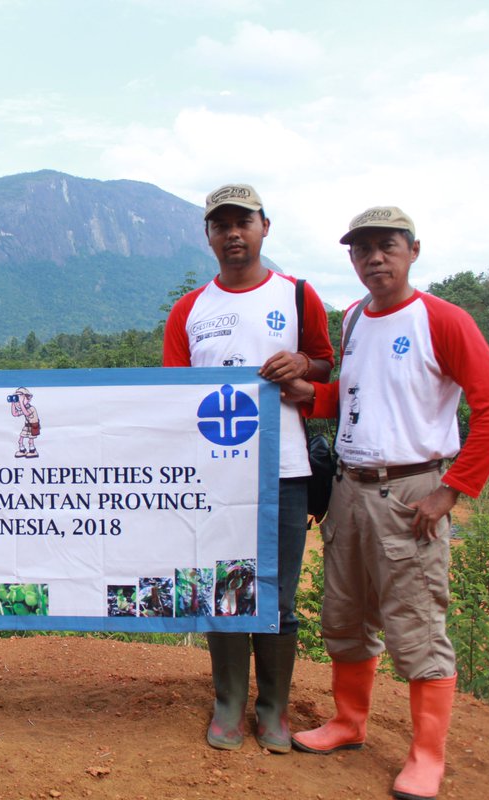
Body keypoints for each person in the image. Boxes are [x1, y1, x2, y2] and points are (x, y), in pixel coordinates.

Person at [283, 207, 489, 800]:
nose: (374, 259)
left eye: (386, 246)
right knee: (344, 614)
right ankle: (348, 722)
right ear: (351, 258)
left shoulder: (442, 319)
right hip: (349, 489)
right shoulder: (353, 318)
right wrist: (311, 394)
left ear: (413, 250)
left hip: (412, 491)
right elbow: (359, 400)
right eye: (362, 249)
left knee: (415, 624)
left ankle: (427, 755)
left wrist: (452, 489)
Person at [163, 184, 334, 753]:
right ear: (208, 236)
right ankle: (229, 703)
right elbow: (172, 392)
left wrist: (302, 362)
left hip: (285, 469)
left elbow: (326, 366)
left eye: (244, 222)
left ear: (265, 227)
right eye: (221, 225)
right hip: (215, 475)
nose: (233, 233)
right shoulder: (189, 309)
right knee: (226, 588)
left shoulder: (298, 295)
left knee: (279, 594)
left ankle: (274, 710)